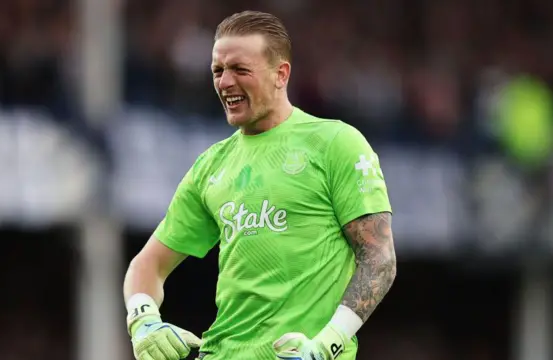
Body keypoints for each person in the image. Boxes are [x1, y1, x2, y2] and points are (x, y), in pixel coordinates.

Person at [123, 10, 397, 360]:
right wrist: (143, 319)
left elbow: (379, 260)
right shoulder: (211, 166)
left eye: (240, 70)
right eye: (218, 71)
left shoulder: (335, 143)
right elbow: (147, 266)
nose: (224, 82)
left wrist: (326, 345)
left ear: (280, 74)